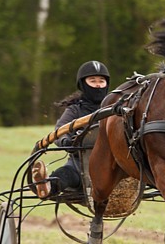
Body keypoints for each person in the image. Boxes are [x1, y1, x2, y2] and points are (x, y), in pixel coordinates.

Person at [32, 60, 111, 199]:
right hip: (79, 166)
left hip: (113, 166)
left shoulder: (116, 107)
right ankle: (47, 186)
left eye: (101, 81)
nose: (98, 85)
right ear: (83, 85)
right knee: (66, 174)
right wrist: (66, 142)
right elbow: (60, 132)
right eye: (93, 81)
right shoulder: (75, 110)